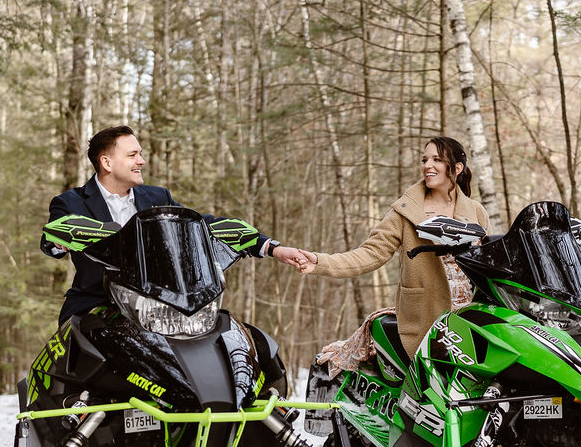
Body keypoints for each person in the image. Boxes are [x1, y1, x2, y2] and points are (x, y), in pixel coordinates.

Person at [42, 125, 308, 324]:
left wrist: (272, 248)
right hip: (96, 305)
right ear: (107, 162)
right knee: (74, 352)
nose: (141, 161)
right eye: (133, 155)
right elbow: (54, 237)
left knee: (234, 334)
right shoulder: (70, 202)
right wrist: (59, 243)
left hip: (164, 307)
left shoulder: (158, 197)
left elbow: (203, 225)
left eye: (141, 154)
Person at [299, 136, 490, 372]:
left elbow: (488, 264)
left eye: (437, 159)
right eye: (424, 159)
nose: (427, 165)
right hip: (425, 318)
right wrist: (319, 262)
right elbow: (370, 254)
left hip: (472, 317)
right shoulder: (405, 211)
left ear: (457, 168)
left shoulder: (477, 212)